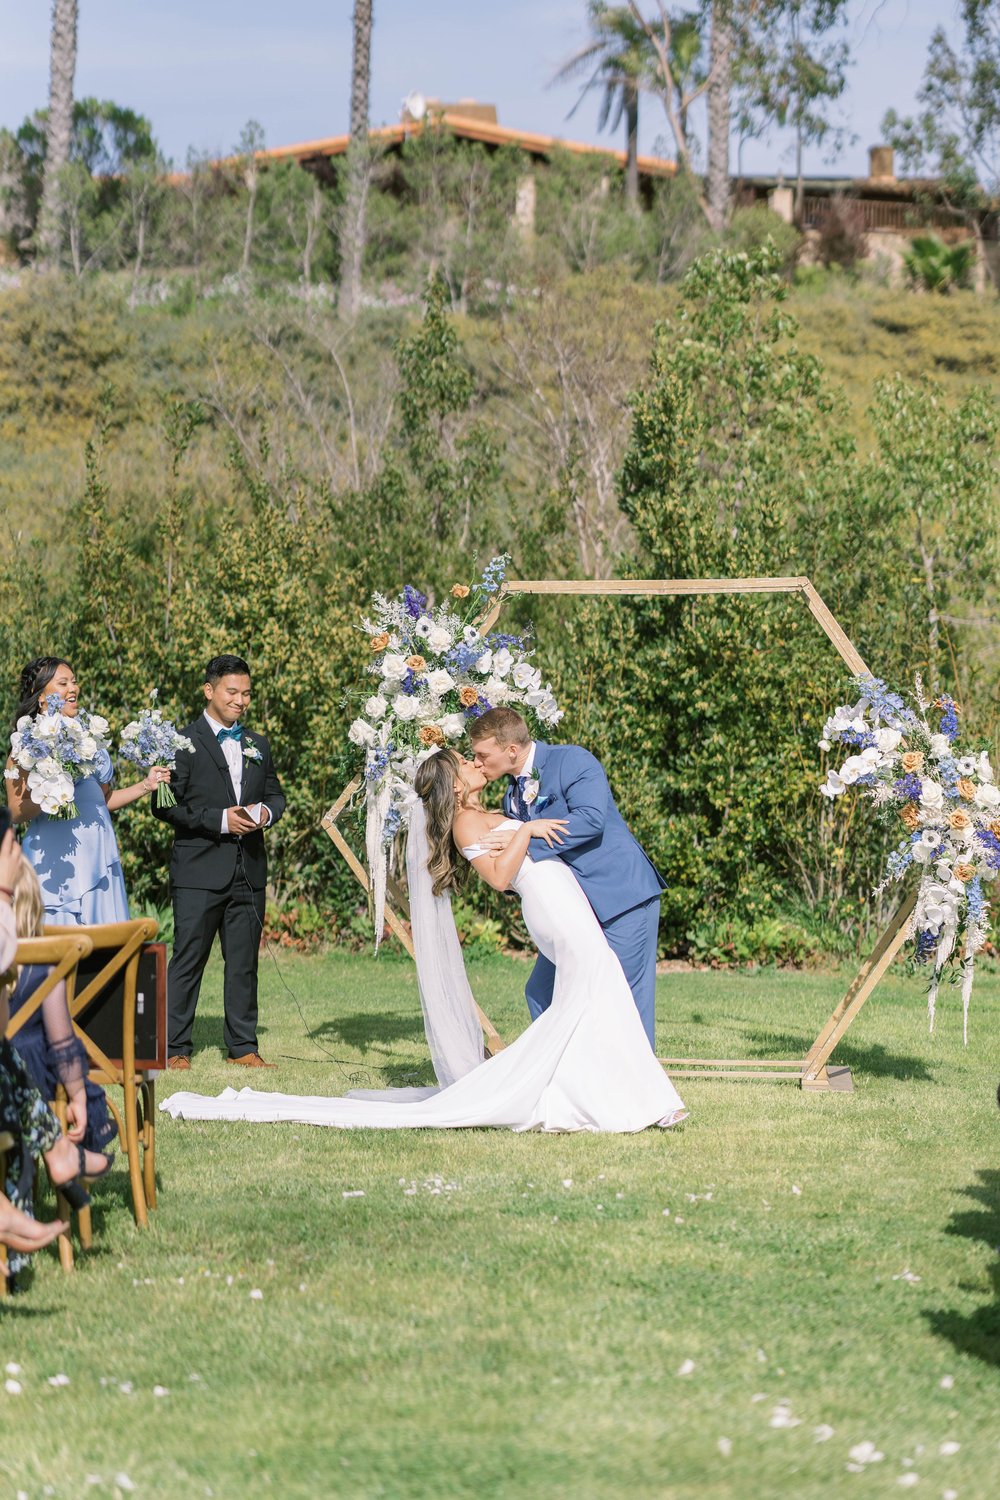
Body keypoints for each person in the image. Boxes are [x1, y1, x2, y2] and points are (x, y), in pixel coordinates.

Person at [161, 750, 688, 1133]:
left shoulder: (494, 803)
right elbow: (502, 878)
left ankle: (601, 1093)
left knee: (595, 993)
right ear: (454, 785)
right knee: (599, 985)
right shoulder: (462, 823)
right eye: (466, 762)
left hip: (566, 899)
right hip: (552, 908)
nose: (475, 766)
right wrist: (525, 832)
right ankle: (636, 1101)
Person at [470, 707, 665, 1051]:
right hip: (573, 911)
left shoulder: (573, 760)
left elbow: (591, 820)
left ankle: (643, 1095)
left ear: (510, 750)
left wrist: (526, 838)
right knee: (541, 991)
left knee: (625, 997)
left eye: (483, 754)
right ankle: (565, 1074)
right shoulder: (509, 796)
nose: (477, 762)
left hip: (620, 896)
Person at [153, 655, 285, 1071]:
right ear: (209, 691)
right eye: (233, 692)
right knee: (188, 959)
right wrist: (220, 820)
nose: (241, 700)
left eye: (246, 693)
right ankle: (174, 1047)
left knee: (244, 963)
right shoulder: (180, 742)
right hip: (198, 871)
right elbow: (164, 804)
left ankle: (243, 1045)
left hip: (249, 871)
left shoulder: (258, 744)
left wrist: (264, 814)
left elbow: (277, 796)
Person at [5, 657, 172, 925]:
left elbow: (103, 800)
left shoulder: (90, 741)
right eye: (63, 683)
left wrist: (146, 785)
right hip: (54, 868)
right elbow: (14, 810)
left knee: (105, 956)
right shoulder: (25, 748)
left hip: (97, 861)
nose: (73, 688)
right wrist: (54, 790)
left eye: (74, 681)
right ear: (41, 698)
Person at [6, 860, 117, 1171]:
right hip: (30, 1081)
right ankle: (87, 1137)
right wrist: (77, 1096)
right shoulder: (45, 969)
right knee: (67, 1064)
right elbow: (62, 1043)